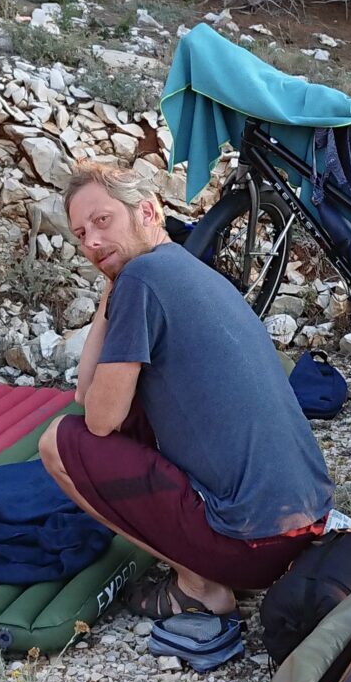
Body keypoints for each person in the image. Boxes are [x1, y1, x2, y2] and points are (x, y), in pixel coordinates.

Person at [36, 160, 332, 617]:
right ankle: (206, 560)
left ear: (149, 212)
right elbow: (86, 394)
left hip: (253, 546)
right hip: (308, 526)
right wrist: (107, 300)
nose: (92, 242)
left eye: (102, 220)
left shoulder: (142, 279)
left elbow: (97, 419)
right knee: (127, 412)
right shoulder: (186, 270)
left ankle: (199, 586)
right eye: (79, 234)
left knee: (58, 442)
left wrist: (119, 288)